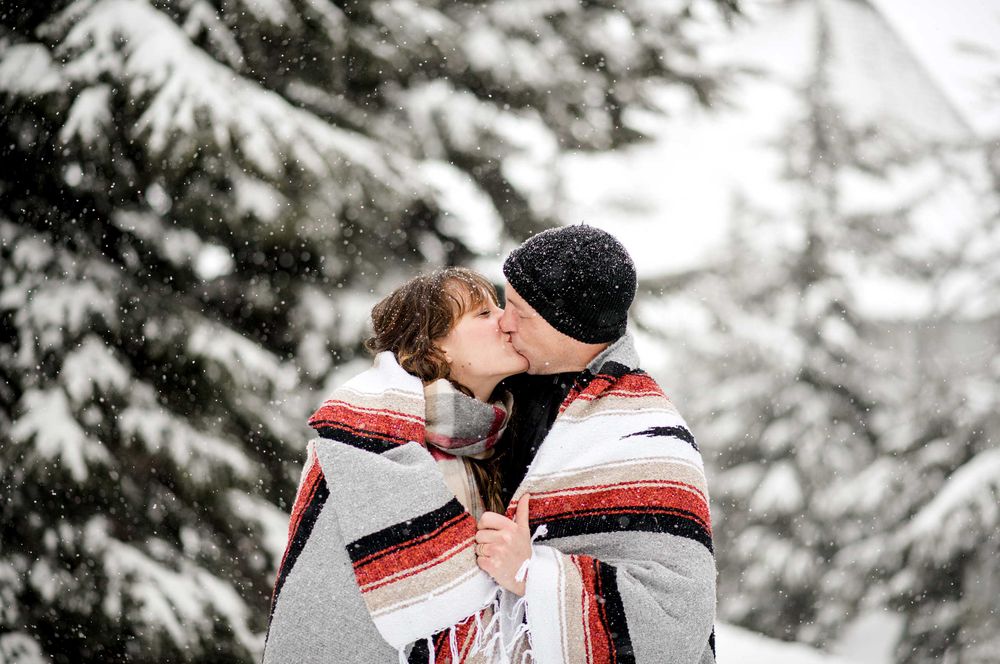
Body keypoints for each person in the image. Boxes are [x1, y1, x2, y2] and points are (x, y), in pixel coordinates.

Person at [474, 224, 717, 663]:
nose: (503, 324)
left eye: (520, 312)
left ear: (570, 328)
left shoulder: (647, 437)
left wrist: (536, 575)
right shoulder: (501, 387)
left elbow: (676, 621)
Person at [262, 267, 527, 663]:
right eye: (483, 314)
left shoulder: (504, 445)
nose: (506, 322)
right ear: (437, 348)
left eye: (499, 307)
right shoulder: (372, 449)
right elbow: (328, 602)